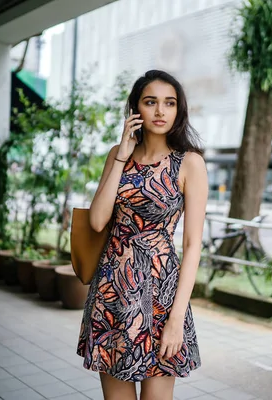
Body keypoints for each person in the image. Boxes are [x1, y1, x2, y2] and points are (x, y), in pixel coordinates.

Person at [77, 70, 208, 400]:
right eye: (151, 102)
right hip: (112, 295)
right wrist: (122, 154)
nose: (161, 112)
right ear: (135, 109)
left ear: (179, 111)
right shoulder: (116, 155)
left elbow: (193, 245)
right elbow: (96, 221)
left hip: (161, 301)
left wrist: (176, 318)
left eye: (170, 103)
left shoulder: (189, 164)